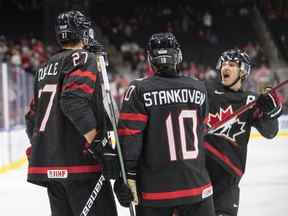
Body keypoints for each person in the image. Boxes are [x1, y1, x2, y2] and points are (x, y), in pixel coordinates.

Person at [24, 10, 117, 216]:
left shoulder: (44, 67)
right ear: (83, 32)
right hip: (80, 166)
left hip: (50, 169)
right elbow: (73, 102)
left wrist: (45, 147)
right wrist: (97, 143)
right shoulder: (84, 58)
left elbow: (31, 117)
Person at [114, 32, 215, 216]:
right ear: (177, 56)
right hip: (197, 187)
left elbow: (130, 140)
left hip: (155, 193)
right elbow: (204, 129)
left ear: (151, 59)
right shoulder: (198, 87)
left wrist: (126, 176)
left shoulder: (139, 89)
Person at [203, 49, 283, 216]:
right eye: (224, 64)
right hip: (199, 173)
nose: (226, 67)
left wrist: (271, 113)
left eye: (232, 64)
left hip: (228, 180)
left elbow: (271, 133)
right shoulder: (205, 91)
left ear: (243, 71)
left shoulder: (251, 100)